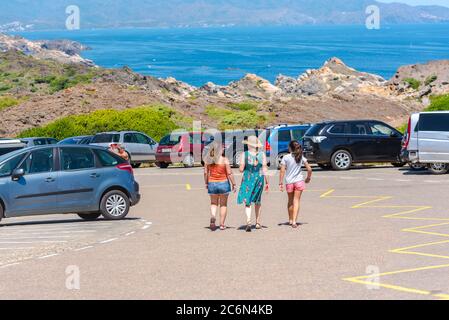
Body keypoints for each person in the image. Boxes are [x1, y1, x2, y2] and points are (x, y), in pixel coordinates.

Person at [237, 136, 269, 232]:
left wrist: (243, 166)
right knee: (258, 201)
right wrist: (267, 182)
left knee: (248, 201)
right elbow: (264, 169)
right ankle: (258, 222)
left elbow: (241, 169)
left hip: (248, 178)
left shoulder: (245, 154)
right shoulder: (262, 155)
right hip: (259, 178)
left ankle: (248, 221)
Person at [279, 140, 312, 229]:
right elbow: (309, 169)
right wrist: (308, 178)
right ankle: (294, 221)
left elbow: (282, 170)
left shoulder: (286, 157)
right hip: (299, 181)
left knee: (290, 201)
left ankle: (290, 219)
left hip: (289, 182)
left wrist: (280, 182)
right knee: (296, 201)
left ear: (290, 148)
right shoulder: (300, 156)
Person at [204, 141, 237, 231]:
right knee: (223, 205)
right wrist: (234, 184)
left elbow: (206, 173)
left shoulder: (208, 160)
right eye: (222, 148)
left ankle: (213, 216)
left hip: (212, 183)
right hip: (223, 183)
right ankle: (222, 224)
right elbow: (229, 173)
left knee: (214, 203)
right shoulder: (224, 160)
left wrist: (206, 183)